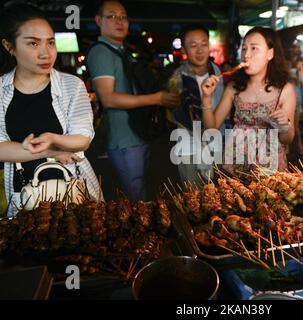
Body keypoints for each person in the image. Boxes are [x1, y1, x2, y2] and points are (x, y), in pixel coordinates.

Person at [0, 3, 102, 216]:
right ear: (9, 47)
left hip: (74, 188)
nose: (45, 53)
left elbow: (83, 137)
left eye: (51, 42)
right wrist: (49, 150)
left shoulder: (71, 85)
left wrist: (51, 138)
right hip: (23, 195)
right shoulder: (0, 91)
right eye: (33, 44)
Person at [86, 0, 179, 201]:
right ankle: (139, 231)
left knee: (141, 187)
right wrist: (157, 98)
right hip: (123, 138)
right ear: (98, 20)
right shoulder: (101, 52)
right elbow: (108, 99)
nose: (119, 21)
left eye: (123, 16)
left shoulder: (121, 50)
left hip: (136, 134)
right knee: (136, 195)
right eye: (112, 16)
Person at [201, 26, 296, 174]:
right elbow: (211, 129)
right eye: (244, 49)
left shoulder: (285, 89)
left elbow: (287, 139)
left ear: (270, 54)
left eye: (254, 48)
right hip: (236, 165)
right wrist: (206, 98)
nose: (246, 55)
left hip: (270, 169)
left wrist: (284, 125)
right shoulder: (234, 87)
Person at [168, 24, 224, 184]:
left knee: (219, 191)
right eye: (193, 46)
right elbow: (173, 113)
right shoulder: (177, 77)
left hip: (215, 140)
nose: (200, 50)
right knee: (192, 192)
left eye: (204, 44)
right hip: (188, 142)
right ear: (184, 50)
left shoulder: (217, 73)